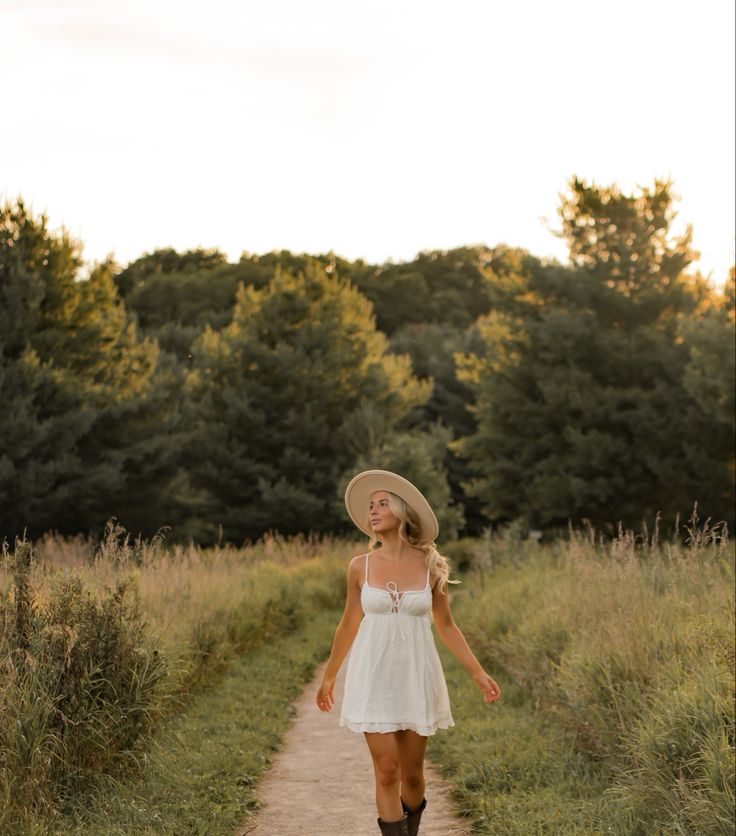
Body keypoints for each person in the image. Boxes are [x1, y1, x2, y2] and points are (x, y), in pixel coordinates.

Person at [315, 470, 501, 836]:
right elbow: (349, 623)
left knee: (412, 776)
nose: (373, 511)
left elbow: (446, 625)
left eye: (382, 503)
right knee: (386, 770)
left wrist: (478, 673)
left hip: (417, 677)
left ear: (402, 511)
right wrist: (330, 675)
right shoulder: (359, 567)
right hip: (373, 676)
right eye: (370, 506)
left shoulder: (430, 565)